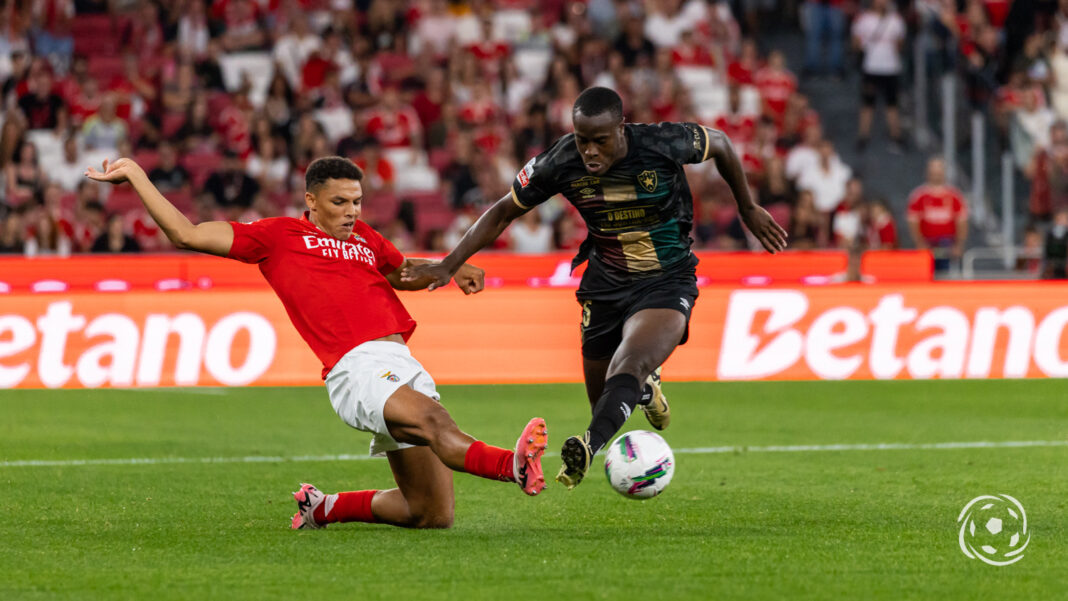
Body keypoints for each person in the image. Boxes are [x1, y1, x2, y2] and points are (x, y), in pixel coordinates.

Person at [85, 155, 548, 529]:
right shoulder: (277, 236)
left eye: (358, 201)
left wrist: (449, 265)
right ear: (311, 200)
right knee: (433, 421)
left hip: (400, 361)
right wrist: (138, 176)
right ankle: (513, 465)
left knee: (430, 513)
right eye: (341, 202)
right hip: (358, 367)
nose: (352, 211)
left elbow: (402, 272)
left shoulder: (364, 236)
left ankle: (323, 507)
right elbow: (185, 233)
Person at [405, 87, 787, 489]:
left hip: (666, 278)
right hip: (604, 285)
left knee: (629, 367)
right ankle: (642, 391)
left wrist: (747, 207)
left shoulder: (661, 143)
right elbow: (503, 211)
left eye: (599, 141)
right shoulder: (560, 160)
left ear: (621, 129)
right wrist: (449, 264)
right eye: (582, 139)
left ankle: (588, 445)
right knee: (605, 395)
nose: (589, 151)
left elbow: (722, 144)